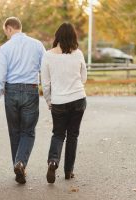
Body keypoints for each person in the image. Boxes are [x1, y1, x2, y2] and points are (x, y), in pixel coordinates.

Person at [0, 17, 45, 184]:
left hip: (11, 91)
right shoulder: (37, 45)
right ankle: (21, 163)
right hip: (30, 90)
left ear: (9, 28)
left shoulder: (5, 48)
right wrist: (47, 94)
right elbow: (45, 70)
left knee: (15, 131)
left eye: (5, 32)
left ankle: (18, 165)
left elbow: (0, 76)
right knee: (28, 131)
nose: (6, 35)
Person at [40, 22, 87, 184]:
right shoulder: (78, 53)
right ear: (73, 37)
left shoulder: (48, 55)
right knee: (73, 135)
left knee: (58, 134)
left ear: (57, 36)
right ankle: (68, 171)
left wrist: (49, 100)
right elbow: (84, 78)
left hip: (58, 101)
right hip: (78, 98)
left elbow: (45, 83)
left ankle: (53, 161)